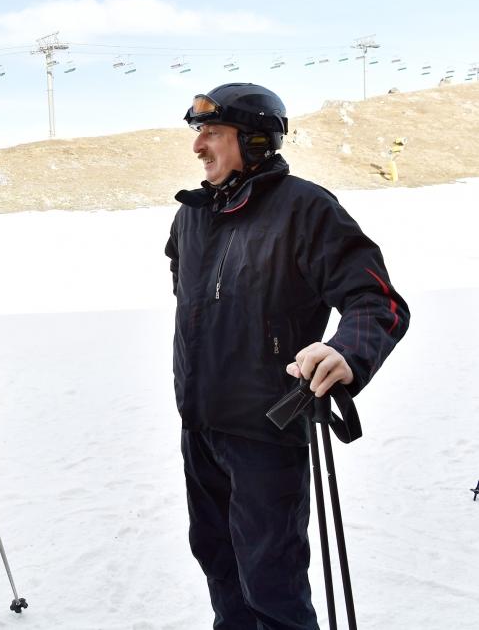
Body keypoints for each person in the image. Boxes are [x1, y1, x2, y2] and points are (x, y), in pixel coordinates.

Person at [165, 83, 409, 629]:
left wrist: (346, 350)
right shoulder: (192, 218)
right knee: (216, 557)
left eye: (212, 132)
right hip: (200, 424)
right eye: (197, 132)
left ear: (254, 141)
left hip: (265, 431)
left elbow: (377, 301)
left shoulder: (306, 209)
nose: (198, 146)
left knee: (270, 578)